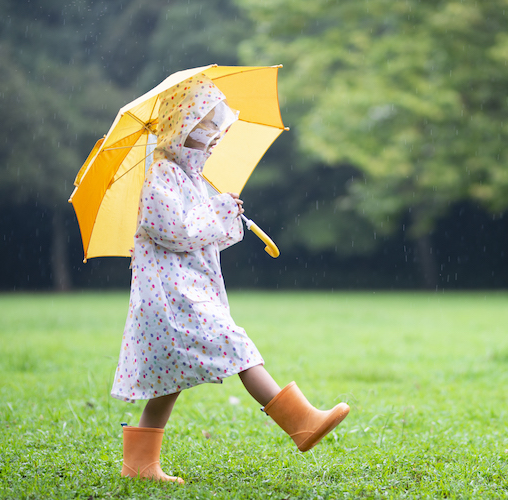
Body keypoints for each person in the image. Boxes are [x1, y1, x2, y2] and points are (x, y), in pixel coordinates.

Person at [111, 75, 349, 484]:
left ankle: (139, 464)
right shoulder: (161, 176)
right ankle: (302, 423)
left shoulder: (191, 179)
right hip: (172, 296)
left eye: (217, 130)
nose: (215, 138)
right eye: (207, 130)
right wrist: (215, 213)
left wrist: (224, 213)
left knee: (170, 381)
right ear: (183, 130)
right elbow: (177, 231)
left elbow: (206, 236)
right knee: (236, 345)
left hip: (189, 291)